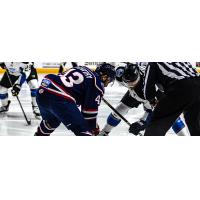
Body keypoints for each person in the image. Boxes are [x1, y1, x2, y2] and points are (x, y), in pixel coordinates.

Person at [100, 62, 187, 136]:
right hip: (136, 93)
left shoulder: (153, 86)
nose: (132, 85)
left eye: (134, 82)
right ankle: (104, 132)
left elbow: (155, 111)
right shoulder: (120, 72)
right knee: (119, 110)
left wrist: (142, 123)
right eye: (128, 83)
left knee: (172, 117)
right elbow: (106, 71)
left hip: (152, 93)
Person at [34, 62, 116, 136]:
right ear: (105, 77)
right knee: (85, 130)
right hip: (59, 98)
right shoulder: (97, 84)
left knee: (51, 122)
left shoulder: (83, 68)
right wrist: (95, 130)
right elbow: (89, 115)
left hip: (43, 90)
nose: (107, 84)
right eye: (109, 81)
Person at [142, 62, 200, 136]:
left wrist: (152, 101)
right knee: (196, 125)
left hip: (180, 87)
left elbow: (148, 88)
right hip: (197, 83)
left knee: (157, 123)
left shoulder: (153, 63)